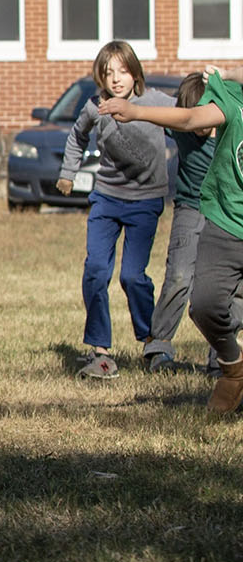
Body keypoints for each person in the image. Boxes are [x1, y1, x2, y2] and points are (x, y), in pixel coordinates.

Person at [101, 68, 243, 412]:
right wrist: (136, 112)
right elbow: (192, 116)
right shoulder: (235, 102)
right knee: (205, 305)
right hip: (226, 223)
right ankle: (232, 367)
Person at [58, 40, 175, 379]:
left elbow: (187, 118)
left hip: (145, 201)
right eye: (109, 73)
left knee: (133, 277)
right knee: (95, 269)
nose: (117, 79)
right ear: (101, 77)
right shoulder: (95, 107)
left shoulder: (154, 102)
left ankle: (152, 342)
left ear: (135, 72)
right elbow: (76, 137)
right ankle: (100, 352)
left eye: (123, 71)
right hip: (107, 199)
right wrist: (68, 173)